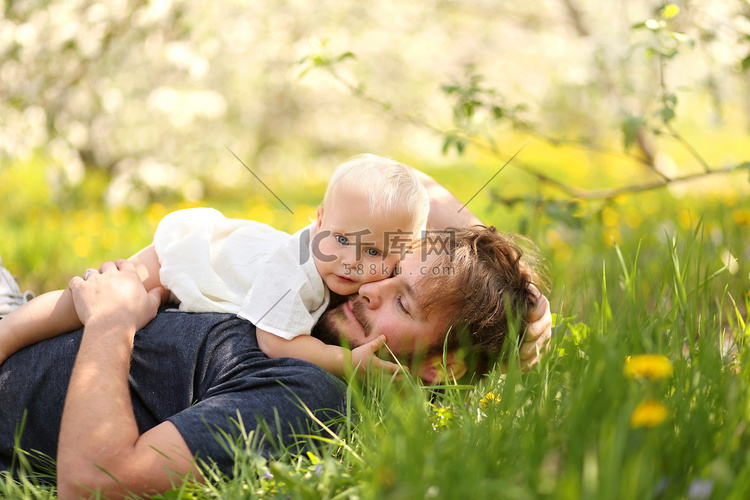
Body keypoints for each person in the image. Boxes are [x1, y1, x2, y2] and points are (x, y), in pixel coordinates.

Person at [0, 167, 552, 499]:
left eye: (402, 301)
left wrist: (111, 324)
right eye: (392, 270)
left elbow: (96, 485)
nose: (369, 287)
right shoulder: (337, 293)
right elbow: (401, 187)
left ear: (441, 367)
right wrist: (518, 287)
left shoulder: (307, 395)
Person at [0, 154, 431, 377]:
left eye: (374, 253)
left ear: (399, 253)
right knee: (98, 300)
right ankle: (11, 330)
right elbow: (277, 344)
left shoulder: (354, 267)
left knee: (128, 309)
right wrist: (341, 362)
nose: (353, 262)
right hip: (191, 253)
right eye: (339, 239)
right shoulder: (295, 274)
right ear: (318, 220)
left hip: (214, 262)